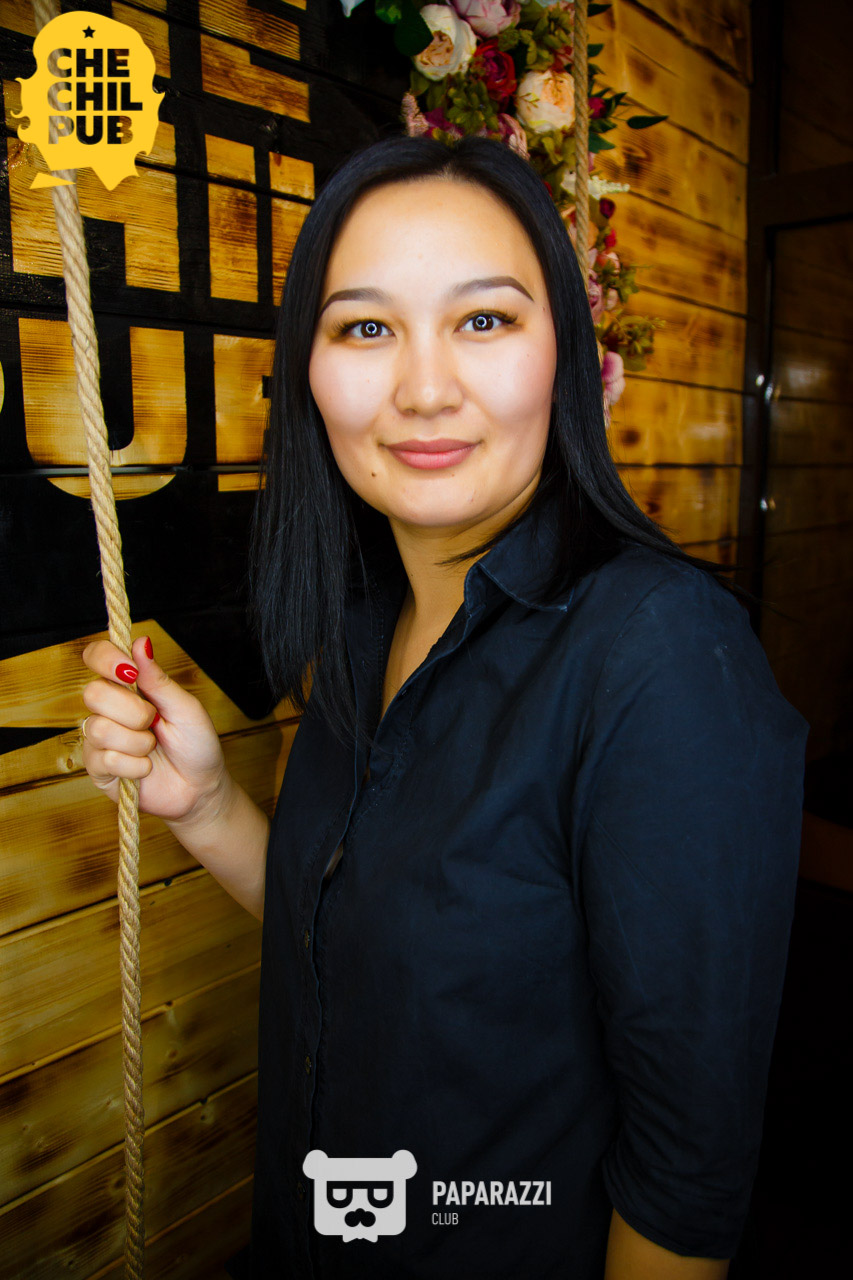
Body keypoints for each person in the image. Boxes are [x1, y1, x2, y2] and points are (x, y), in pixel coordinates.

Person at [80, 134, 810, 1280]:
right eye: (366, 328)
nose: (424, 388)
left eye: (483, 318)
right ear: (307, 369)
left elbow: (684, 1176)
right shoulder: (362, 621)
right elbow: (362, 939)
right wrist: (210, 805)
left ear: (561, 352)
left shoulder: (662, 658)